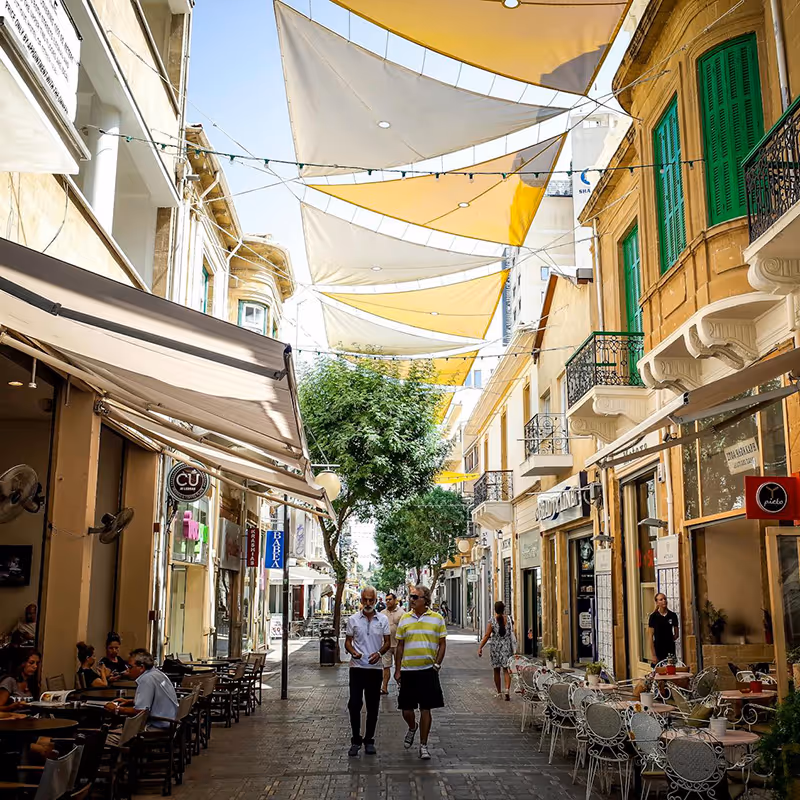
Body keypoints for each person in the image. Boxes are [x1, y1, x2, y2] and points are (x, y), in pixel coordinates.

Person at [394, 584, 447, 761]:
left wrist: (437, 665)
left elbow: (442, 644)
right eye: (411, 597)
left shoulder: (437, 619)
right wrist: (397, 669)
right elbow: (399, 646)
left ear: (425, 600)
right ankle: (412, 726)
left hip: (427, 671)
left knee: (426, 708)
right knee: (406, 709)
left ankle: (423, 745)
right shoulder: (405, 619)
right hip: (408, 671)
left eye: (415, 597)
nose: (412, 600)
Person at [344, 586, 390, 757]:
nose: (368, 603)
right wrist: (352, 652)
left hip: (374, 669)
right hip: (357, 668)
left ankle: (369, 740)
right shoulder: (353, 619)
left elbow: (387, 642)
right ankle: (356, 740)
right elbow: (348, 642)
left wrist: (379, 654)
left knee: (373, 706)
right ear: (361, 600)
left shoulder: (383, 620)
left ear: (376, 601)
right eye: (365, 600)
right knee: (354, 704)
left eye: (371, 600)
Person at [104, 649, 179, 735]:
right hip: (170, 723)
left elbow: (140, 712)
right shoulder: (157, 674)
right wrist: (131, 701)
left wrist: (117, 709)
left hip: (157, 727)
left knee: (108, 736)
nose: (127, 670)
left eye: (130, 667)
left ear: (141, 667)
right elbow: (155, 700)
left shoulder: (146, 680)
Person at [477, 600, 515, 700]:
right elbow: (511, 631)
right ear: (503, 609)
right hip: (507, 648)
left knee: (496, 670)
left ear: (495, 609)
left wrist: (480, 647)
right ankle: (507, 690)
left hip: (496, 649)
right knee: (506, 670)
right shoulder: (509, 619)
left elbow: (487, 635)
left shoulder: (492, 621)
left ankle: (499, 692)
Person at [380, 592, 405, 695]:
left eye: (390, 599)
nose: (387, 601)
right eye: (386, 600)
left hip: (398, 645)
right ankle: (384, 687)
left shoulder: (402, 613)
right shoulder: (382, 613)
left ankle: (402, 686)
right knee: (386, 666)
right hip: (386, 645)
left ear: (395, 600)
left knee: (400, 666)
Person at [648, 592, 680, 665]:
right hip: (658, 648)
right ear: (657, 602)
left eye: (665, 599)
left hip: (670, 649)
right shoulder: (653, 617)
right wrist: (653, 655)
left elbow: (676, 634)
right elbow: (650, 637)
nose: (664, 601)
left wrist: (669, 639)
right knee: (659, 669)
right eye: (661, 600)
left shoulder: (672, 615)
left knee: (670, 668)